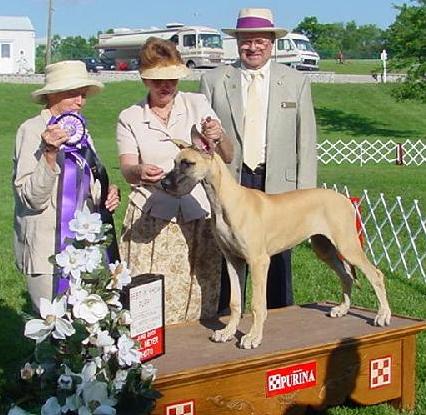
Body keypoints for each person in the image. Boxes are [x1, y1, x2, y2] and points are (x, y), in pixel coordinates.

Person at [200, 8, 317, 311]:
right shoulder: (213, 80)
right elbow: (202, 140)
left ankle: (278, 321)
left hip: (279, 185)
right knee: (230, 251)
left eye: (259, 42)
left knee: (277, 261)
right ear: (237, 42)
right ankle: (227, 315)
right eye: (246, 41)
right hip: (231, 182)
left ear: (272, 43)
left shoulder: (295, 81)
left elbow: (306, 141)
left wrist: (306, 196)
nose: (252, 48)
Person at [116, 37, 233, 325]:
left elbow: (228, 156)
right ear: (144, 79)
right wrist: (140, 171)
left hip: (199, 218)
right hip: (153, 217)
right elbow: (127, 168)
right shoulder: (130, 117)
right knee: (149, 308)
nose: (165, 86)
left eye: (171, 79)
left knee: (201, 304)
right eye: (157, 81)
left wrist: (218, 136)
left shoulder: (198, 104)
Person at [13, 60, 121, 313]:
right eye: (73, 93)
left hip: (82, 247)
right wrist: (50, 155)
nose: (80, 101)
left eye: (83, 94)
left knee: (84, 330)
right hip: (46, 250)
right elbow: (31, 198)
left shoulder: (80, 129)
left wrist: (106, 193)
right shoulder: (31, 130)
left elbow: (87, 179)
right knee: (52, 334)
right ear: (52, 94)